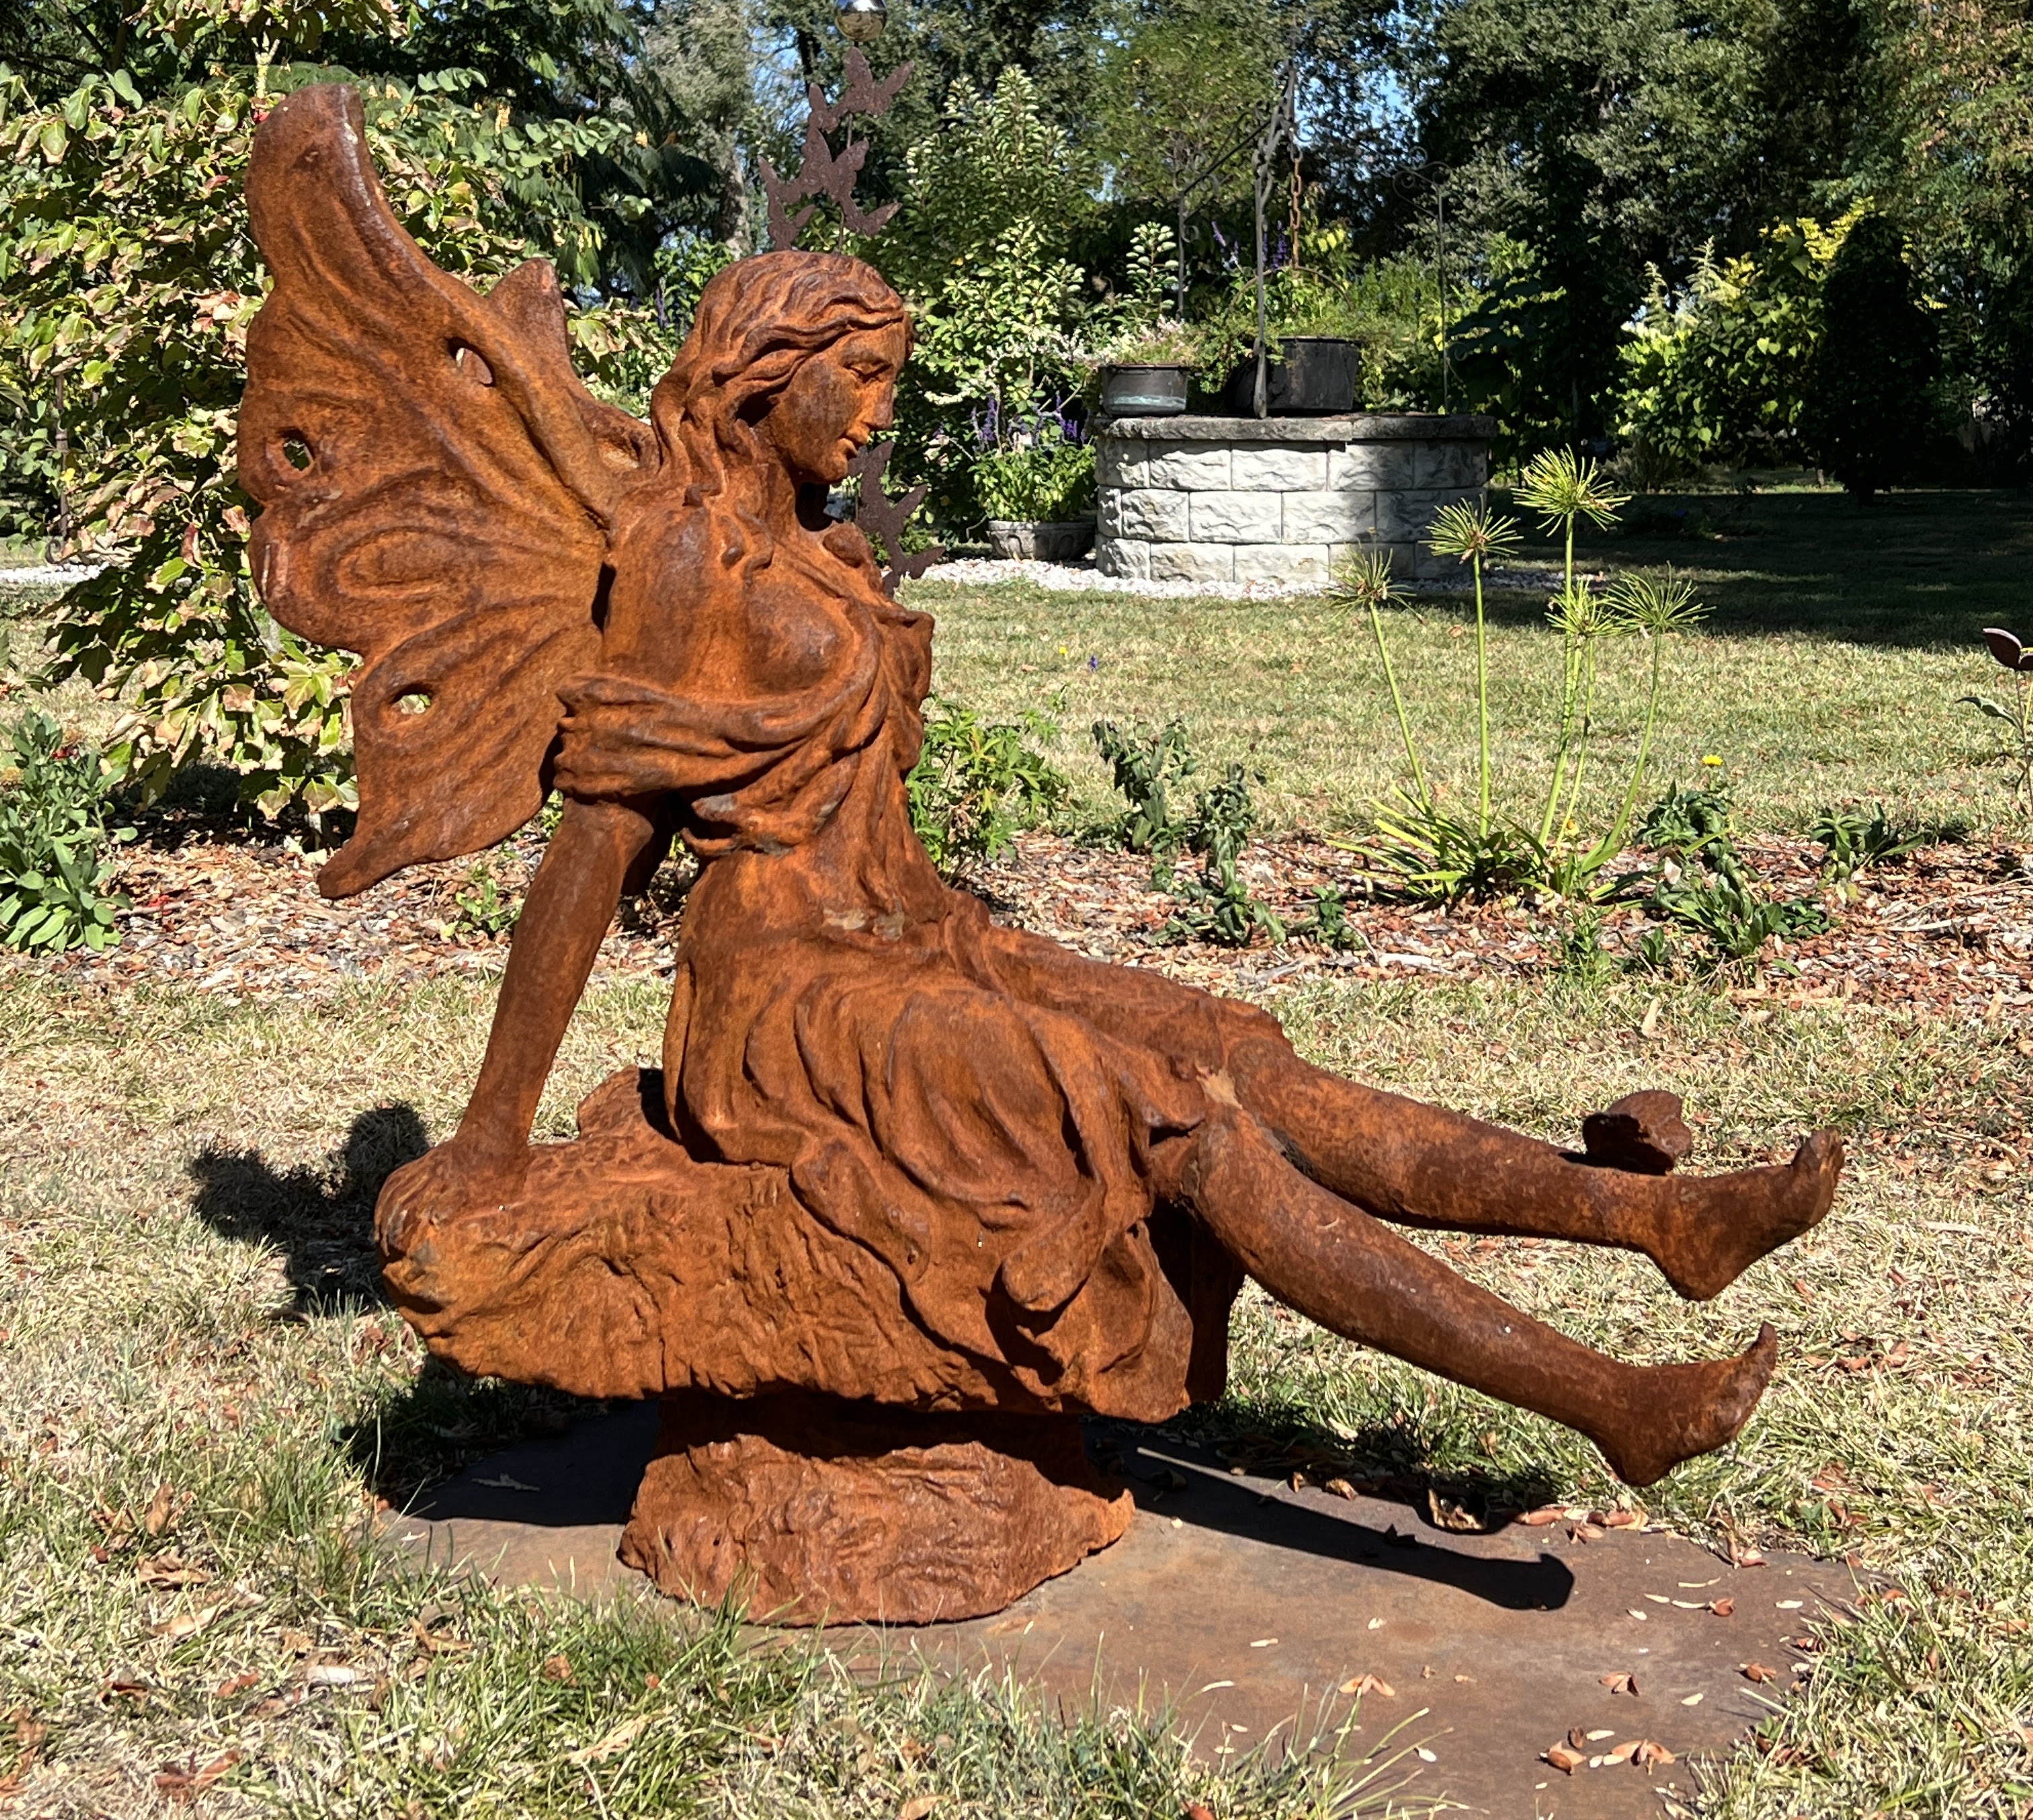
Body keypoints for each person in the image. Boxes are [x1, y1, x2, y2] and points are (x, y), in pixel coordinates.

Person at [412, 246, 1839, 1491]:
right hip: (787, 995)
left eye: (893, 380)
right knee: (1180, 1126)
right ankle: (1609, 1403)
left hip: (923, 938)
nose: (882, 411)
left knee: (1240, 1060)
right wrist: (491, 1130)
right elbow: (598, 842)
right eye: (863, 377)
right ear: (766, 370)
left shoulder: (828, 559)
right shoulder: (684, 559)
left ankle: (1660, 1217)